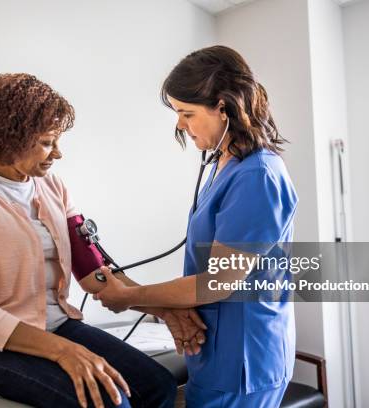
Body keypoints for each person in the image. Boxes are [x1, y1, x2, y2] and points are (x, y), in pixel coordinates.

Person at [0, 73, 200, 408]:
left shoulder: (53, 187)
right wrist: (64, 352)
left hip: (54, 326)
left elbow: (92, 271)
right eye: (47, 142)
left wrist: (160, 308)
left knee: (156, 386)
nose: (57, 153)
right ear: (8, 138)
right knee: (109, 402)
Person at [95, 46, 299, 407]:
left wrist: (129, 297)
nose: (180, 124)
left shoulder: (257, 175)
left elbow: (219, 281)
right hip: (218, 352)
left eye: (186, 113)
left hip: (243, 360)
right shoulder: (225, 165)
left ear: (224, 106)